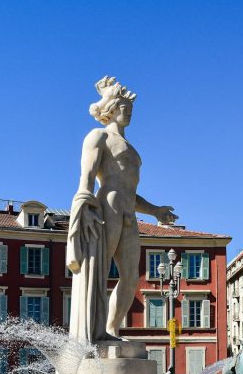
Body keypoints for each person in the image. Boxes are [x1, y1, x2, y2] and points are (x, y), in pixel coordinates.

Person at [67, 77, 177, 343]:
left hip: (128, 210)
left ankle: (112, 329)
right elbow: (86, 178)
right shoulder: (99, 136)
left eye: (130, 109)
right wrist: (86, 208)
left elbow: (130, 191)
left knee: (131, 278)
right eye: (123, 108)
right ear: (111, 108)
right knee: (99, 269)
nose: (128, 112)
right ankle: (96, 333)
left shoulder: (131, 148)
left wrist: (155, 211)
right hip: (108, 205)